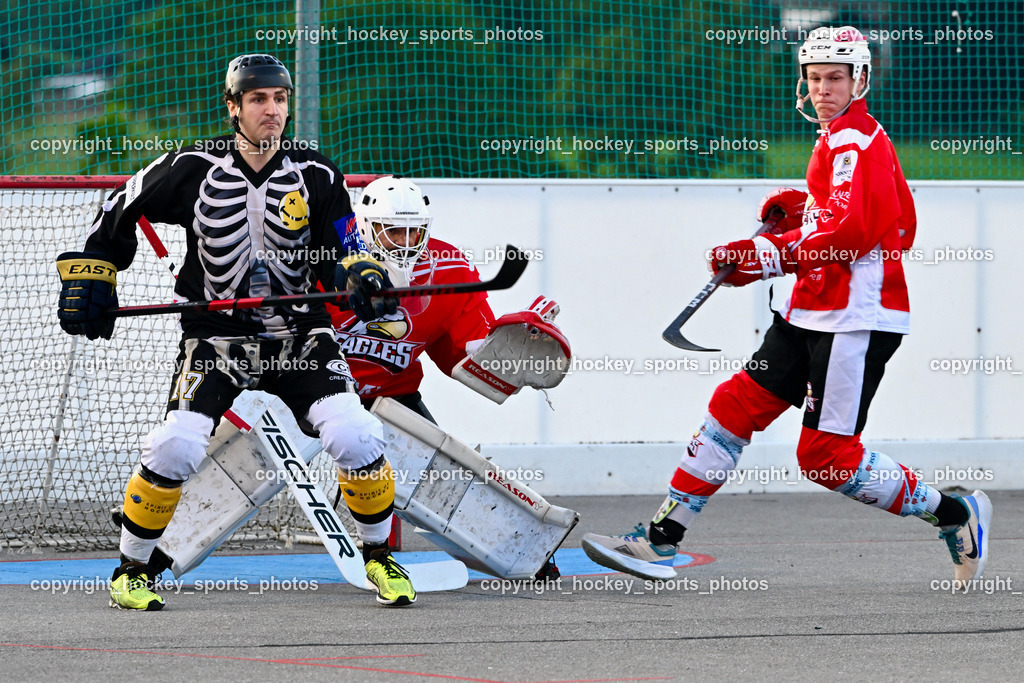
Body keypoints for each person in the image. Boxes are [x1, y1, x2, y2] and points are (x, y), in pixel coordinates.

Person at [582, 27, 992, 590]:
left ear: (860, 80)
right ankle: (658, 542)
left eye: (835, 79)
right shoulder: (838, 138)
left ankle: (955, 513)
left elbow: (861, 231)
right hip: (808, 312)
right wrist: (801, 210)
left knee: (825, 456)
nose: (822, 89)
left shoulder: (857, 140)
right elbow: (876, 216)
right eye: (814, 78)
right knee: (733, 409)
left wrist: (768, 255)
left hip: (854, 320)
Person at [56, 54, 417, 609]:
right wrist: (96, 274)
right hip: (215, 340)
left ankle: (380, 559)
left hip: (299, 338)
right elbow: (116, 210)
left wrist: (360, 272)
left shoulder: (317, 174)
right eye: (257, 99)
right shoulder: (187, 167)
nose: (271, 110)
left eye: (279, 99)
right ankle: (131, 571)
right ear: (233, 107)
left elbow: (346, 245)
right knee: (176, 446)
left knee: (356, 436)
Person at [331, 174, 568, 579]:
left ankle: (520, 555)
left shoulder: (448, 265)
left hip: (391, 396)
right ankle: (179, 540)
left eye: (414, 231)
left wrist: (511, 342)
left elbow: (468, 348)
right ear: (367, 228)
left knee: (445, 482)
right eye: (394, 232)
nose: (406, 242)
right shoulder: (331, 254)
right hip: (318, 390)